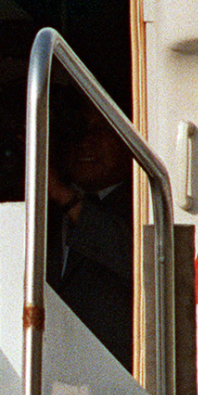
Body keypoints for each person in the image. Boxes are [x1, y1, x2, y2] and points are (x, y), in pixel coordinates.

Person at [47, 101, 133, 369]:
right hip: (43, 372)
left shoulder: (144, 202)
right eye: (78, 130)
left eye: (101, 129)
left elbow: (137, 257)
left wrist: (69, 200)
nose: (85, 141)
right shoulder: (43, 206)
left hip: (114, 379)